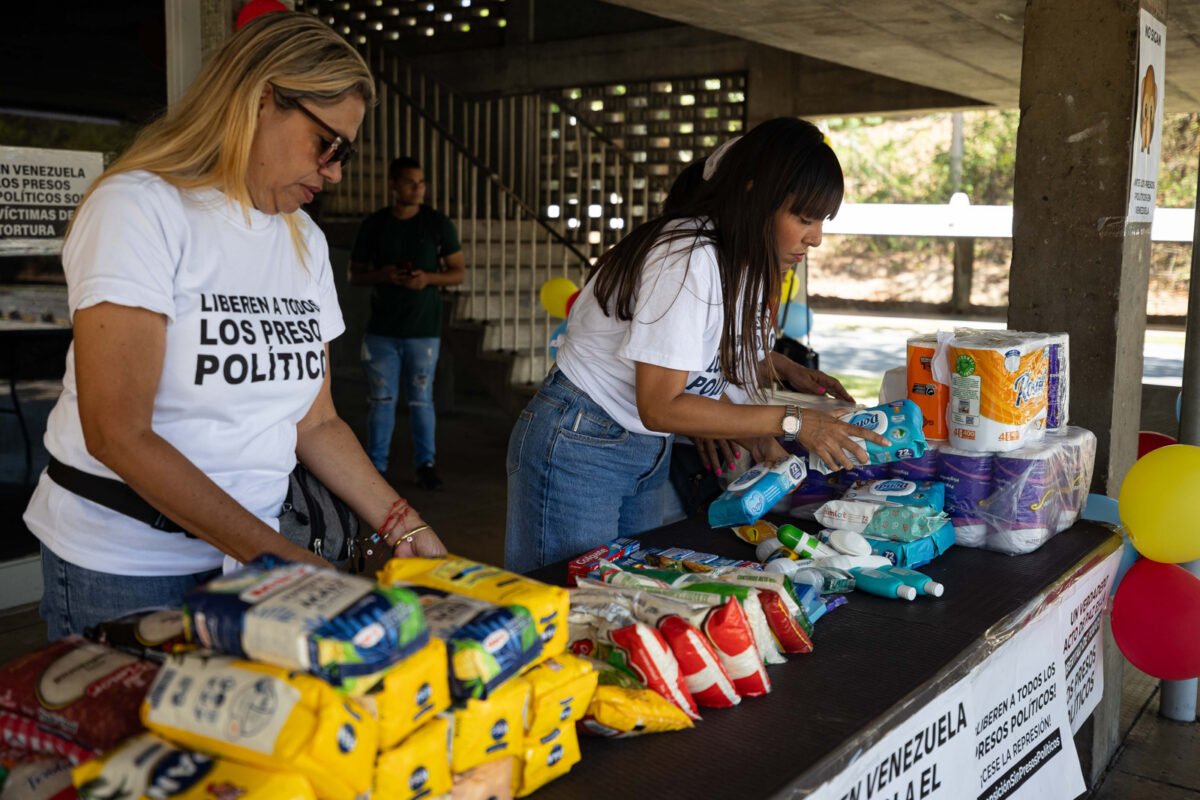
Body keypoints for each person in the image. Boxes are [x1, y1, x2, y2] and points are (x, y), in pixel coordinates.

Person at [23, 12, 447, 641]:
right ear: (261, 99)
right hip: (130, 567)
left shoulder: (302, 238)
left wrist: (403, 523)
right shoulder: (139, 207)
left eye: (346, 153)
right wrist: (286, 561)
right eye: (327, 143)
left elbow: (316, 422)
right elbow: (118, 434)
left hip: (252, 561)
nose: (335, 170)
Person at [504, 118, 890, 574]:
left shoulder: (739, 263)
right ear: (753, 194)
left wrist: (761, 442)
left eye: (822, 220)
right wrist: (794, 421)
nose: (816, 237)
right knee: (567, 598)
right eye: (804, 218)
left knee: (626, 592)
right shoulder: (688, 257)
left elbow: (699, 373)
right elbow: (660, 405)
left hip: (643, 446)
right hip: (582, 443)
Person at [349, 157, 466, 490]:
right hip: (382, 330)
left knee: (421, 400)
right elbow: (354, 275)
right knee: (381, 401)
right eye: (410, 182)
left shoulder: (436, 223)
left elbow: (458, 272)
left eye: (421, 182)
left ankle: (425, 465)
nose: (418, 188)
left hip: (423, 329)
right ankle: (376, 468)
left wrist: (427, 278)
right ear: (393, 184)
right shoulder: (375, 224)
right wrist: (383, 275)